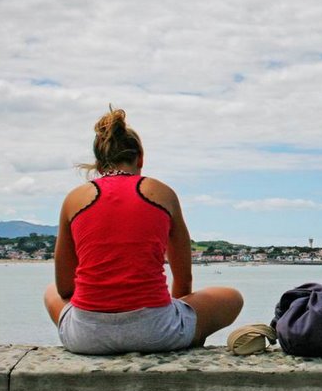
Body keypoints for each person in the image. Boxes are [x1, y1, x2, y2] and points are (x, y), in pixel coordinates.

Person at [43, 107, 243, 354]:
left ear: (98, 162)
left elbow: (64, 289)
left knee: (50, 292)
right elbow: (183, 281)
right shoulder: (161, 193)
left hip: (86, 337)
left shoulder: (74, 199)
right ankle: (186, 338)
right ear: (140, 158)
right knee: (232, 297)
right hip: (157, 333)